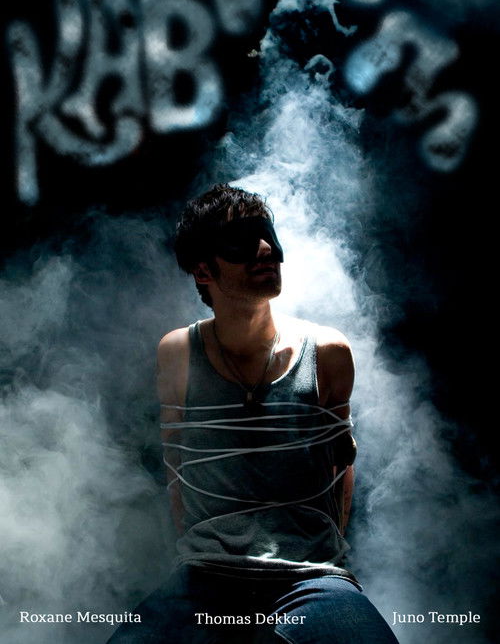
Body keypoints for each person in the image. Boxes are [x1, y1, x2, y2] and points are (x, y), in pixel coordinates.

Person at [108, 183, 399, 643]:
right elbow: (177, 466)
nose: (266, 250)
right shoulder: (178, 352)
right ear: (203, 269)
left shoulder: (327, 352)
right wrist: (203, 552)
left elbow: (341, 465)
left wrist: (320, 556)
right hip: (205, 575)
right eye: (241, 242)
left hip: (310, 577)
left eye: (268, 235)